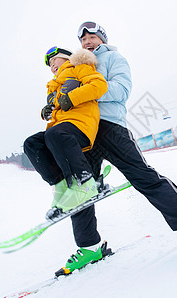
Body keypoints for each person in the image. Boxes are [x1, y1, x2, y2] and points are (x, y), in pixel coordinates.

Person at [54, 21, 177, 276]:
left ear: (101, 38)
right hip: (84, 131)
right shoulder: (76, 65)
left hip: (111, 127)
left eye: (91, 37)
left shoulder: (114, 58)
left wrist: (87, 91)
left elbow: (122, 90)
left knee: (145, 178)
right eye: (82, 40)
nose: (86, 42)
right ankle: (90, 247)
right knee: (80, 189)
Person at [23, 46, 107, 219]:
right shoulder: (53, 86)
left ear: (67, 57)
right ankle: (62, 188)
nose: (52, 65)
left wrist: (71, 98)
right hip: (61, 130)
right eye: (49, 64)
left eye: (55, 60)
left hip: (82, 124)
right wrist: (47, 110)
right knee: (32, 144)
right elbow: (58, 109)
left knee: (55, 134)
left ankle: (85, 183)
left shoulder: (79, 67)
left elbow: (99, 85)